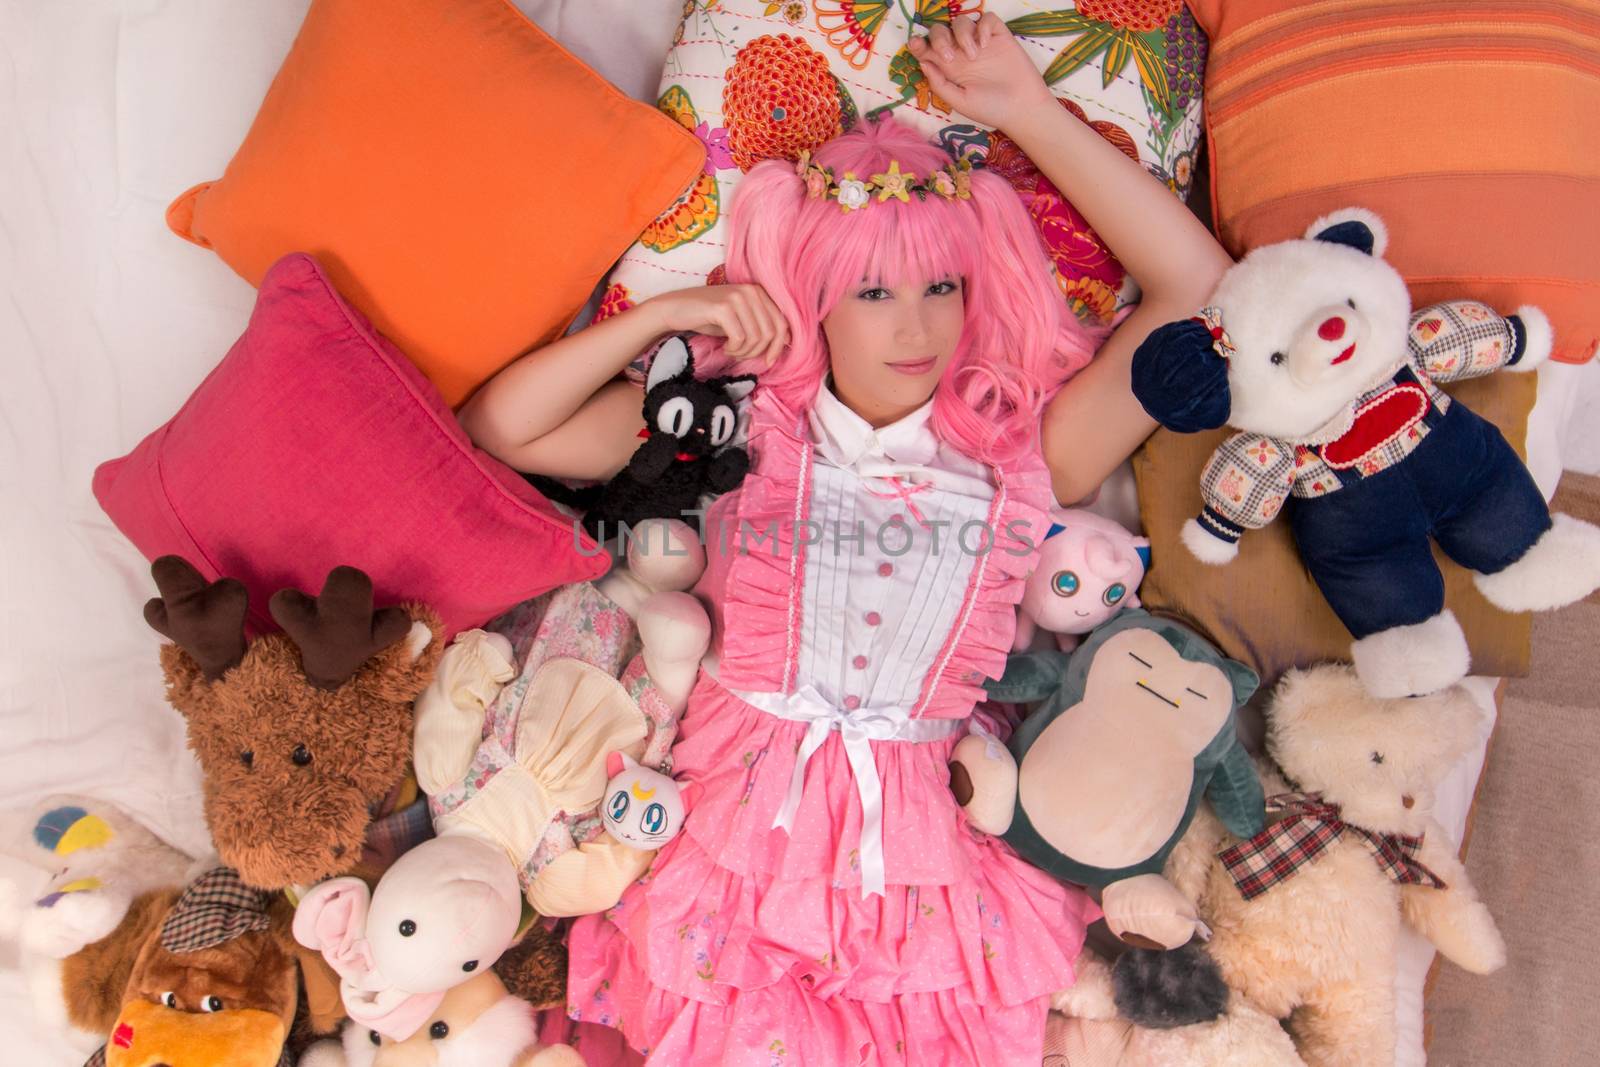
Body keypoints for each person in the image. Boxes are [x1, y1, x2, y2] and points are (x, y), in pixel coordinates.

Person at [459, 14, 1230, 1064]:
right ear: (817, 297)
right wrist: (663, 318)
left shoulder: (1022, 454)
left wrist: (1027, 111)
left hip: (927, 850)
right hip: (732, 839)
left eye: (940, 287)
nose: (914, 326)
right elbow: (503, 428)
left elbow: (1194, 290)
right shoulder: (733, 432)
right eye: (873, 292)